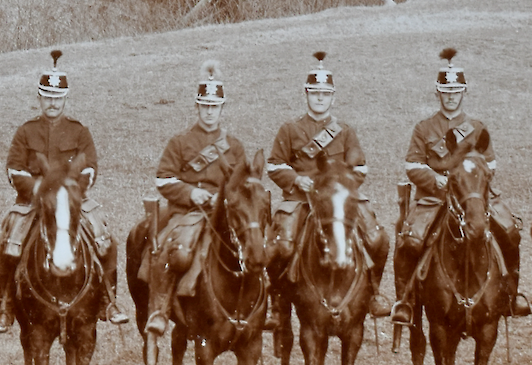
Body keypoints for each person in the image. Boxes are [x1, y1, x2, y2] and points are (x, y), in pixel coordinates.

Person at [0, 49, 128, 333]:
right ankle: (4, 305)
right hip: (32, 202)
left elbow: (89, 168)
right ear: (39, 98)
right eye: (47, 97)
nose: (52, 103)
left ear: (65, 99)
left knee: (104, 237)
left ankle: (108, 300)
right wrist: (39, 189)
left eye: (57, 98)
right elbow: (14, 170)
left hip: (71, 201)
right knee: (7, 241)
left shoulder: (79, 131)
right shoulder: (26, 132)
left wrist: (71, 190)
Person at [391, 48, 530, 325]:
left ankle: (511, 295)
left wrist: (470, 183)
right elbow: (413, 166)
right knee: (410, 241)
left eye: (456, 90)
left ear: (464, 92)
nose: (451, 95)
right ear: (437, 93)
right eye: (446, 90)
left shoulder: (477, 128)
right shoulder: (424, 128)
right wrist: (438, 181)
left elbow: (490, 165)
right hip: (433, 199)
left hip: (473, 199)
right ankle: (405, 301)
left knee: (510, 232)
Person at [265, 52, 391, 329]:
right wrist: (297, 180)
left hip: (338, 200)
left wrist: (339, 186)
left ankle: (374, 293)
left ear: (332, 97)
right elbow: (274, 166)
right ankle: (276, 304)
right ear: (306, 94)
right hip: (300, 200)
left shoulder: (345, 132)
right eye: (314, 93)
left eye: (325, 93)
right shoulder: (291, 129)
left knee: (376, 238)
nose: (319, 98)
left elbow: (360, 169)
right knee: (281, 246)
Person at [141, 59, 248, 336]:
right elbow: (163, 179)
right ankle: (161, 310)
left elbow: (243, 185)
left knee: (253, 244)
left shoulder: (234, 146)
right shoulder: (180, 142)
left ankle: (261, 306)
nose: (209, 112)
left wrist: (222, 199)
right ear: (197, 106)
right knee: (177, 252)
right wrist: (192, 193)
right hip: (188, 213)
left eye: (215, 107)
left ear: (222, 108)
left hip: (224, 214)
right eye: (205, 106)